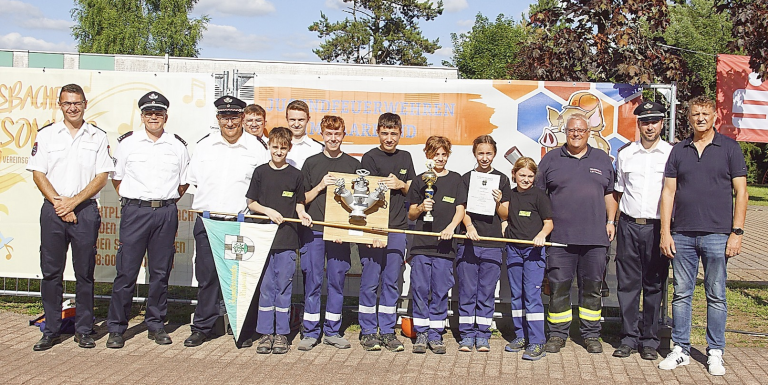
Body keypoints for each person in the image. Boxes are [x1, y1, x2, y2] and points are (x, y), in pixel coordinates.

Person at [658, 96, 748, 376]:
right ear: (689, 118)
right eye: (695, 114)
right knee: (681, 293)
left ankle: (715, 352)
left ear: (714, 117)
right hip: (682, 234)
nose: (700, 118)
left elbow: (742, 192)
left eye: (705, 114)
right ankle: (681, 349)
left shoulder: (729, 149)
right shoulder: (679, 151)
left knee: (716, 295)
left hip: (718, 235)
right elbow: (668, 192)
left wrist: (737, 232)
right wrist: (665, 231)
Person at [27, 83, 114, 351]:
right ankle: (51, 329)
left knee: (84, 273)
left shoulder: (97, 136)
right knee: (51, 273)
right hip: (53, 210)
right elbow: (38, 173)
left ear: (85, 104)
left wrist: (74, 203)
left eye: (77, 103)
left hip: (85, 211)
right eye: (67, 103)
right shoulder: (47, 135)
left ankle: (84, 330)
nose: (72, 108)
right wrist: (60, 204)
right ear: (60, 105)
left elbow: (101, 176)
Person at [106, 91, 190, 349]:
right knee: (126, 272)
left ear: (166, 115)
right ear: (141, 116)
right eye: (148, 113)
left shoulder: (177, 145)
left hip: (165, 212)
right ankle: (117, 328)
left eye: (158, 113)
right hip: (135, 212)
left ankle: (156, 324)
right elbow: (117, 179)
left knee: (160, 272)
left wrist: (162, 203)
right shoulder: (128, 143)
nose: (154, 117)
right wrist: (139, 202)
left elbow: (183, 183)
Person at [183, 96, 268, 348]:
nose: (229, 122)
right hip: (209, 222)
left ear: (243, 117)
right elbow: (194, 182)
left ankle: (243, 328)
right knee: (207, 277)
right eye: (224, 117)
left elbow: (262, 188)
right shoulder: (204, 146)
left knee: (240, 280)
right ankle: (203, 327)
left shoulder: (257, 148)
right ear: (217, 119)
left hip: (240, 223)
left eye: (234, 117)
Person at [536, 113, 617, 354]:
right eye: (572, 130)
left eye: (581, 130)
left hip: (595, 239)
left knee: (591, 289)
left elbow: (610, 194)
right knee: (559, 288)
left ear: (589, 132)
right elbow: (539, 198)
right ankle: (558, 335)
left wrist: (611, 220)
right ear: (566, 132)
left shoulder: (602, 159)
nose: (576, 134)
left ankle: (591, 334)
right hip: (560, 240)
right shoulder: (550, 160)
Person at [611, 101, 672, 360]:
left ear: (662, 124)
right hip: (628, 225)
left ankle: (650, 339)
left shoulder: (672, 153)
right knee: (627, 285)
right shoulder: (626, 154)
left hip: (657, 226)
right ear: (638, 124)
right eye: (645, 122)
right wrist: (612, 223)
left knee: (654, 285)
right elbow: (618, 191)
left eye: (654, 121)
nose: (650, 126)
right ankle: (628, 337)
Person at [296, 115, 361, 351]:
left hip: (339, 233)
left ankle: (333, 330)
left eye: (337, 134)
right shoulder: (311, 163)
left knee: (336, 281)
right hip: (314, 232)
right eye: (328, 134)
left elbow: (359, 205)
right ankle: (310, 331)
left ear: (344, 135)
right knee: (312, 280)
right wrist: (322, 185)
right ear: (322, 135)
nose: (333, 138)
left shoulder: (354, 165)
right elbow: (302, 199)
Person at [246, 126, 312, 355]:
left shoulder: (296, 175)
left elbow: (299, 203)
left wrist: (302, 214)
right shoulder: (260, 172)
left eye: (283, 148)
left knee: (283, 286)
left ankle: (282, 334)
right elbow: (251, 203)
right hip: (263, 238)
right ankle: (265, 333)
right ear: (269, 147)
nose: (278, 152)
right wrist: (267, 212)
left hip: (287, 239)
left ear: (289, 148)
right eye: (275, 147)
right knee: (266, 288)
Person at [358, 112, 415, 352]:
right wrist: (374, 230)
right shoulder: (369, 158)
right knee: (371, 281)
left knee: (392, 281)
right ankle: (368, 331)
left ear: (400, 134)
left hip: (397, 228)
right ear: (378, 133)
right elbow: (363, 195)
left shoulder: (406, 157)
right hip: (372, 228)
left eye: (394, 133)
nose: (389, 138)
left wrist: (401, 185)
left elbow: (414, 189)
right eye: (385, 133)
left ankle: (388, 331)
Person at [407, 136, 466, 354]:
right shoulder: (419, 180)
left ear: (448, 155)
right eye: (435, 155)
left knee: (441, 289)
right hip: (422, 244)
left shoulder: (456, 179)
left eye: (443, 154)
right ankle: (421, 332)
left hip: (445, 245)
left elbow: (461, 209)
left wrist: (451, 227)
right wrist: (422, 207)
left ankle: (436, 334)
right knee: (421, 288)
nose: (439, 159)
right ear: (427, 156)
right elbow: (411, 213)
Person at [456, 135, 511, 352]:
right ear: (474, 154)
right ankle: (467, 336)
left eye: (488, 153)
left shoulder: (503, 179)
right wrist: (469, 227)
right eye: (481, 153)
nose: (484, 157)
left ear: (494, 154)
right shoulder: (466, 178)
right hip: (468, 242)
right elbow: (461, 209)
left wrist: (498, 202)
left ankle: (483, 335)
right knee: (468, 290)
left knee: (486, 291)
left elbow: (506, 214)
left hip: (492, 243)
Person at [505, 157, 553, 361]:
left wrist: (542, 235)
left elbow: (549, 223)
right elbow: (504, 216)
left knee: (532, 297)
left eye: (530, 176)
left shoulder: (540, 196)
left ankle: (537, 341)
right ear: (514, 174)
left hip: (533, 252)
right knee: (516, 295)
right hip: (513, 250)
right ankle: (520, 336)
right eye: (522, 175)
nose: (525, 179)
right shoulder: (509, 194)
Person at [285, 100, 323, 170]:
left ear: (308, 119)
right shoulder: (275, 147)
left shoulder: (318, 148)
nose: (296, 124)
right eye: (292, 120)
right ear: (286, 119)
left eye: (301, 120)